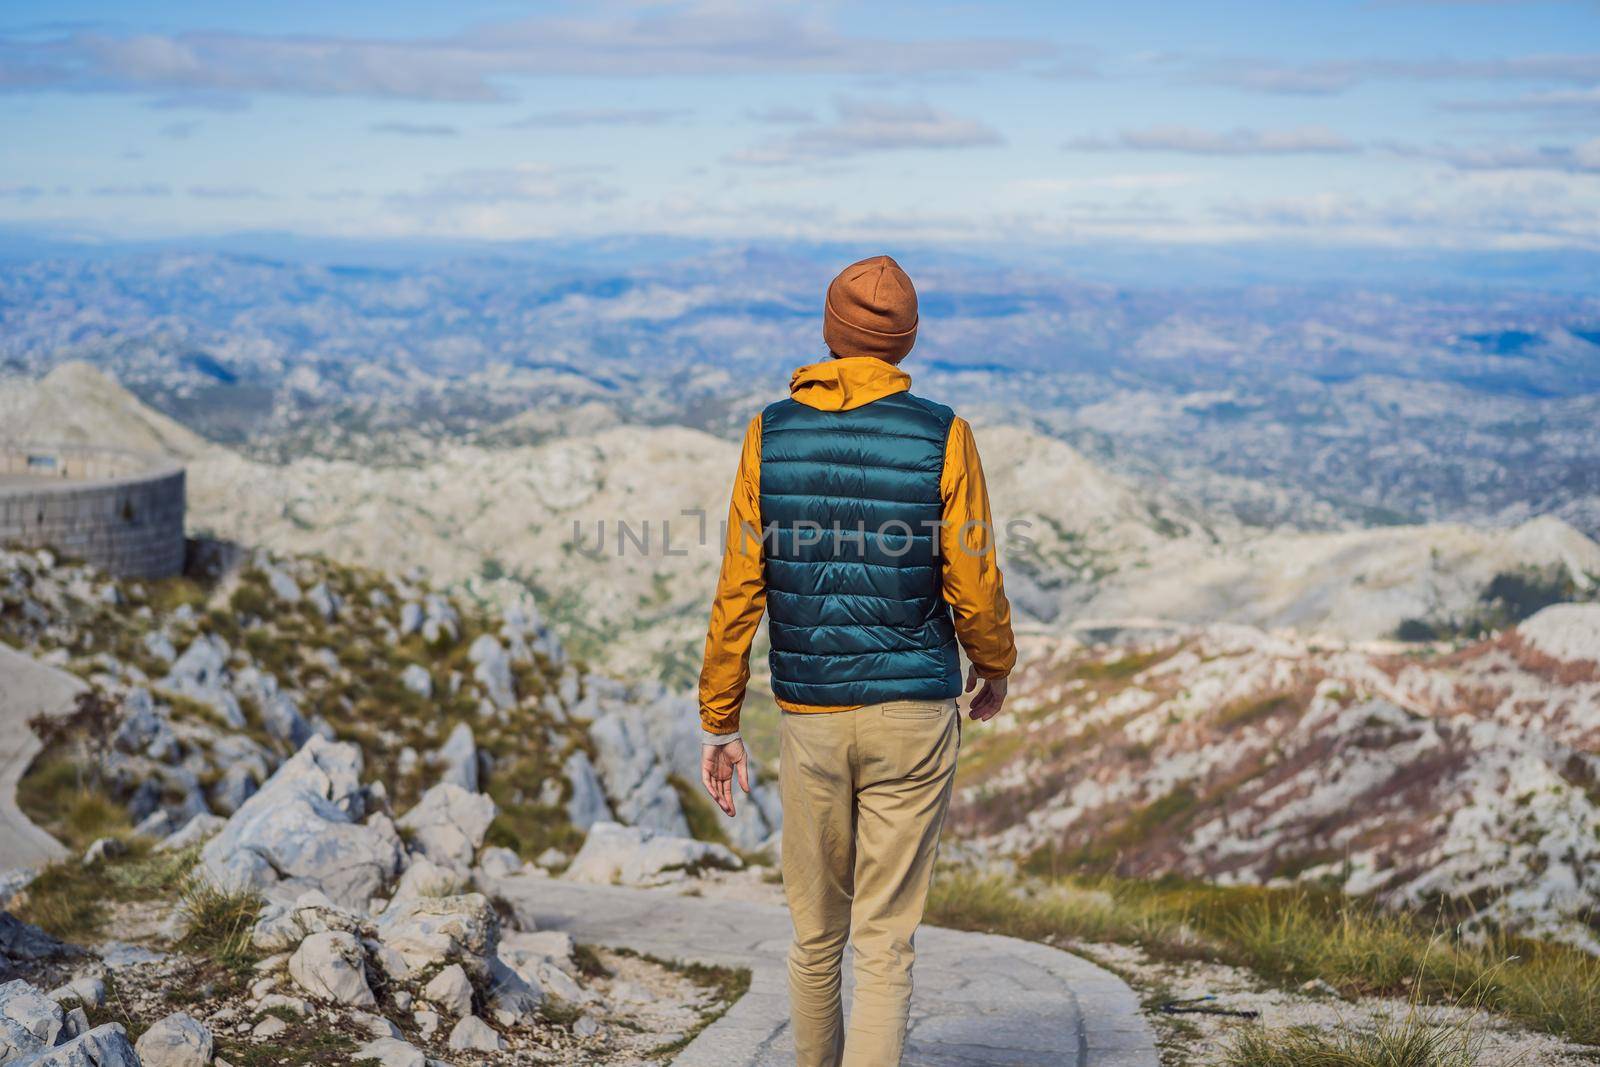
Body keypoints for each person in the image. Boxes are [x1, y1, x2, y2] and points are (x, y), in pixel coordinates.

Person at [696, 254, 1017, 1067]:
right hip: (913, 714)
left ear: (830, 335)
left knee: (815, 936)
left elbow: (741, 584)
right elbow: (972, 575)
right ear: (904, 343)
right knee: (884, 940)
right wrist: (995, 663)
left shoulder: (770, 429)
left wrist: (721, 717)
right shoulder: (944, 432)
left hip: (809, 716)